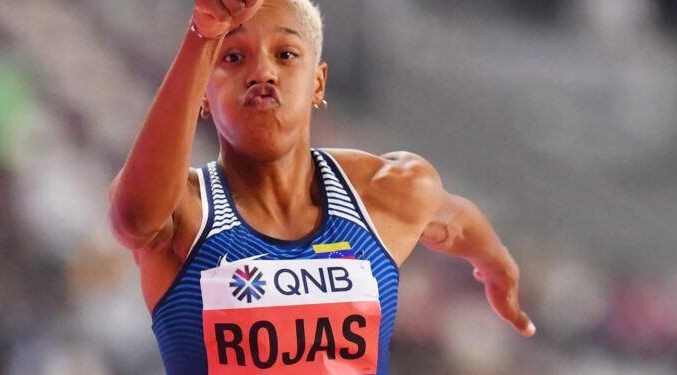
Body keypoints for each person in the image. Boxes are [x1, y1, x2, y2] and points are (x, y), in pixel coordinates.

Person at [108, 0, 535, 374]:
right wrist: (203, 35)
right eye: (234, 57)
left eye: (286, 53)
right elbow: (133, 218)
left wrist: (497, 265)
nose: (263, 71)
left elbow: (458, 222)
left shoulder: (384, 193)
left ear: (318, 81)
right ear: (201, 93)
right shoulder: (184, 212)